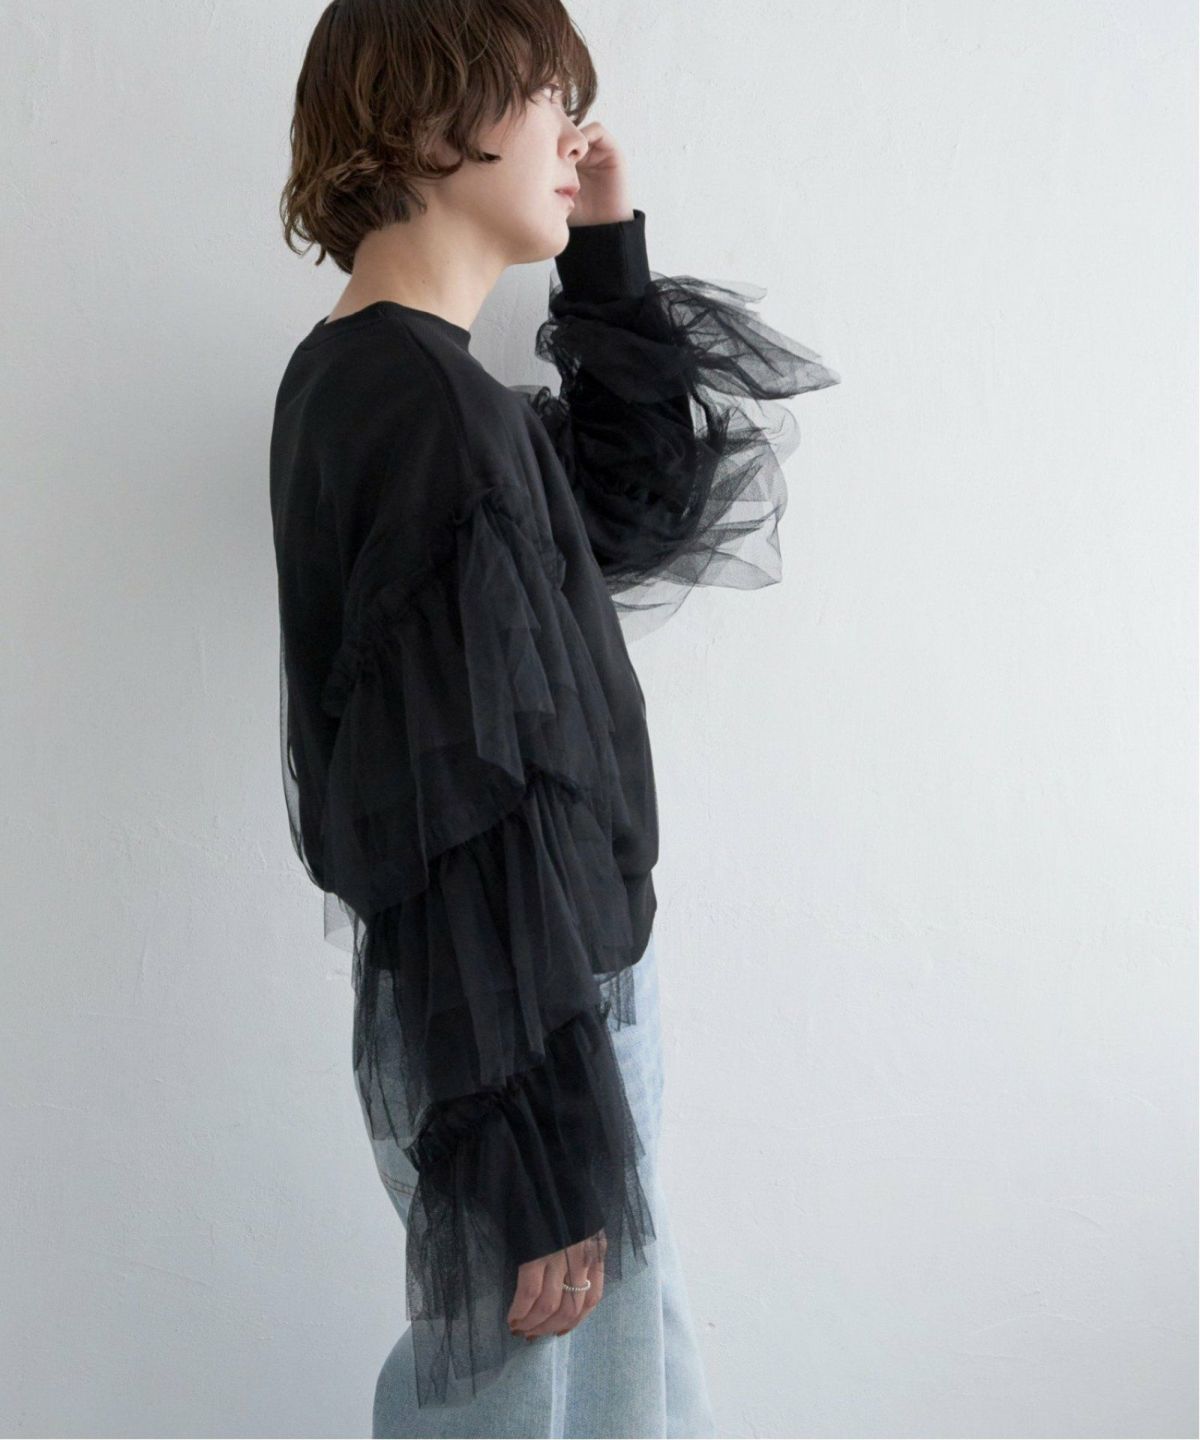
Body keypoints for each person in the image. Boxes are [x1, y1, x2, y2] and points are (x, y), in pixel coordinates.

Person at [270, 0, 840, 1433]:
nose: (572, 130)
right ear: (429, 118)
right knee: (553, 1404)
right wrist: (532, 1146)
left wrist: (604, 244)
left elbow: (632, 505)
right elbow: (460, 809)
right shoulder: (420, 409)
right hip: (529, 1018)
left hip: (537, 1006)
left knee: (613, 1399)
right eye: (541, 93)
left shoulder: (407, 388)